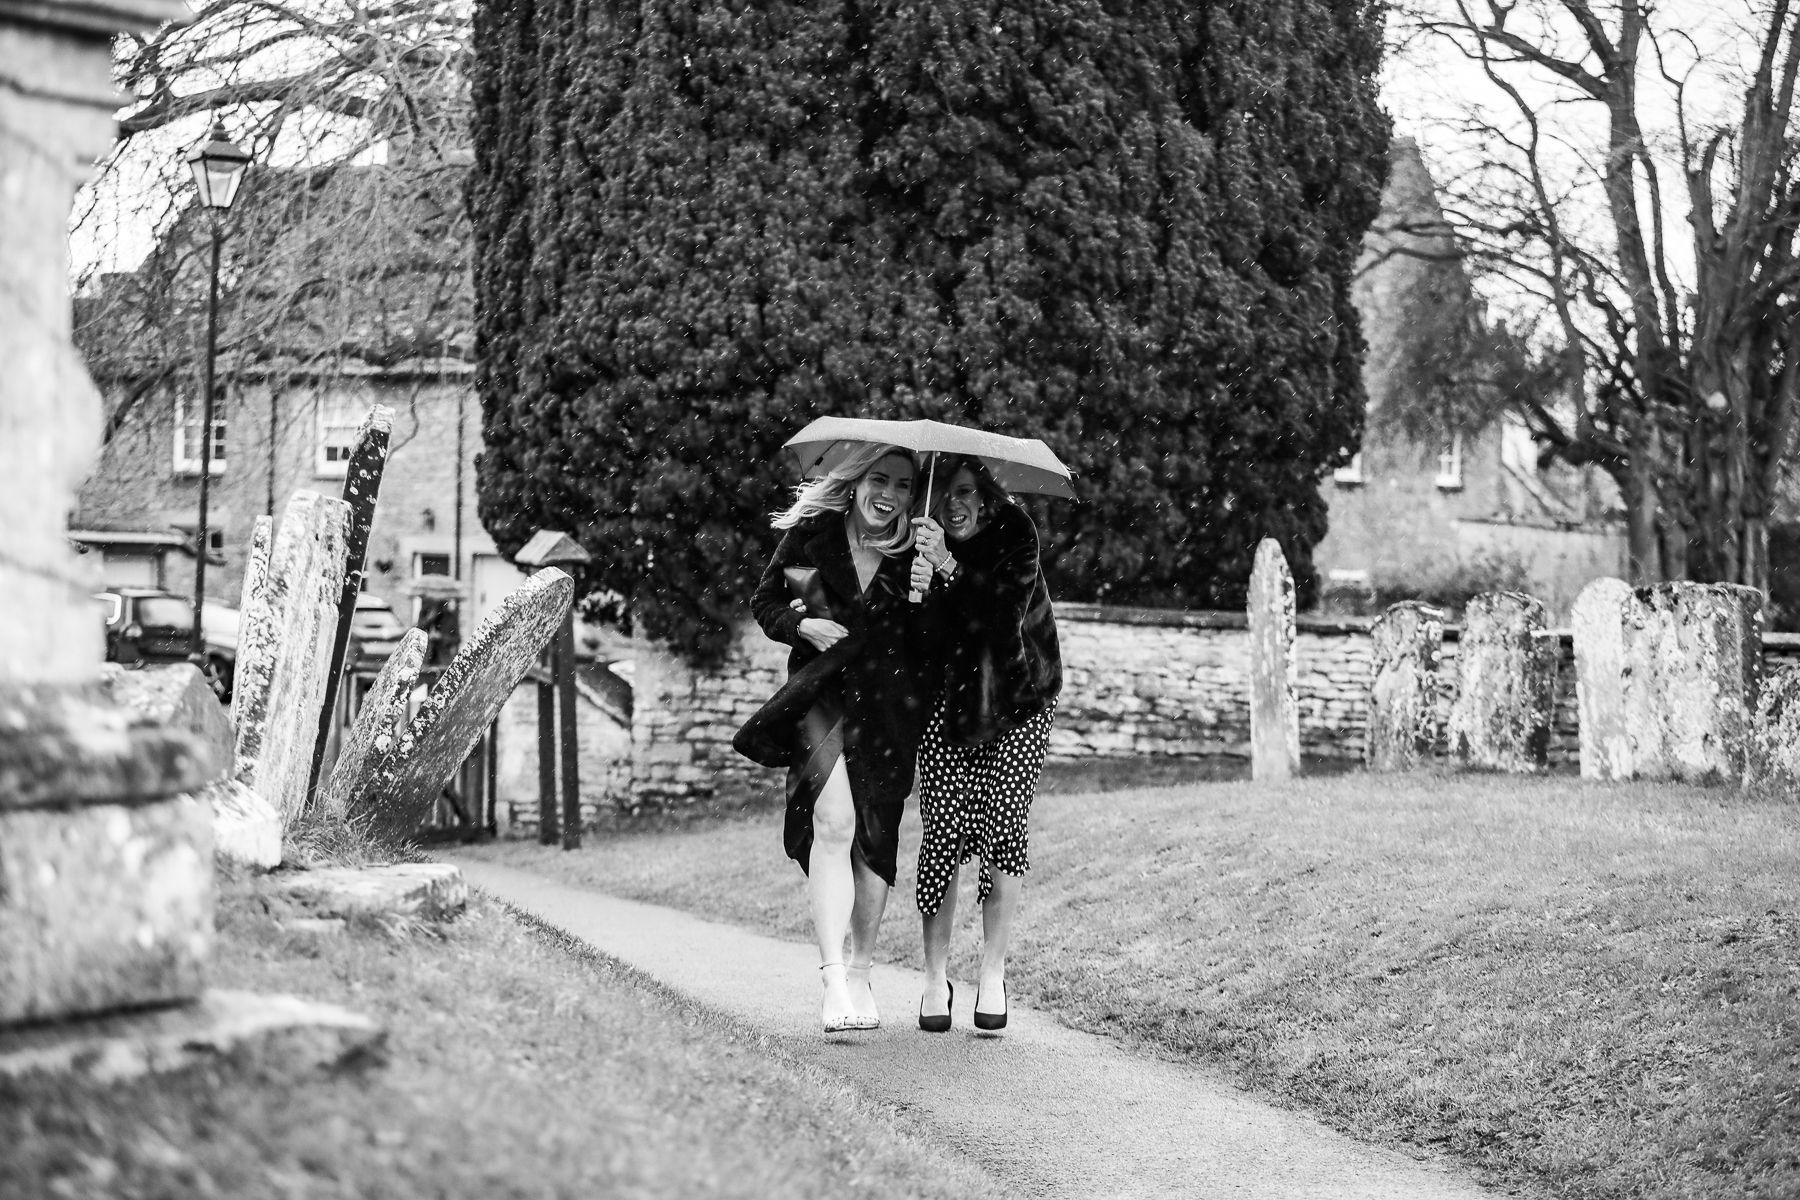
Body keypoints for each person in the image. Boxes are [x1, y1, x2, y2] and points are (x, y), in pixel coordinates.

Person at [734, 443, 934, 1034]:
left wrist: (931, 587)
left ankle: (862, 970)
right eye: (880, 479)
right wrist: (803, 625)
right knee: (835, 823)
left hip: (889, 709)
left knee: (874, 840)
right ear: (857, 481)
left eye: (903, 485)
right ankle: (833, 980)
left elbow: (933, 645)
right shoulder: (813, 534)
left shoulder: (917, 553)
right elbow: (765, 601)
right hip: (820, 697)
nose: (889, 494)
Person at [906, 455, 1061, 1033]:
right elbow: (917, 643)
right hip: (950, 703)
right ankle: (934, 978)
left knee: (1005, 822)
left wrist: (948, 566)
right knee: (942, 832)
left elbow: (1000, 621)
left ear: (987, 494)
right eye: (945, 492)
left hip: (1020, 696)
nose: (954, 504)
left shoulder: (1016, 531)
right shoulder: (919, 538)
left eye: (966, 491)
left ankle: (993, 972)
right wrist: (919, 592)